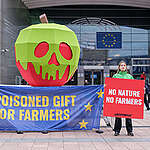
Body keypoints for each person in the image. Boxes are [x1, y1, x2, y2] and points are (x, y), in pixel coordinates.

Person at [112, 60, 134, 136]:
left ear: (126, 67)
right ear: (119, 67)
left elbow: (134, 88)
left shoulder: (129, 76)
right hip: (118, 99)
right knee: (118, 116)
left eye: (124, 65)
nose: (123, 67)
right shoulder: (115, 76)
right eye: (121, 65)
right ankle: (117, 130)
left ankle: (130, 131)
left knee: (128, 116)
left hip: (127, 99)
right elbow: (112, 87)